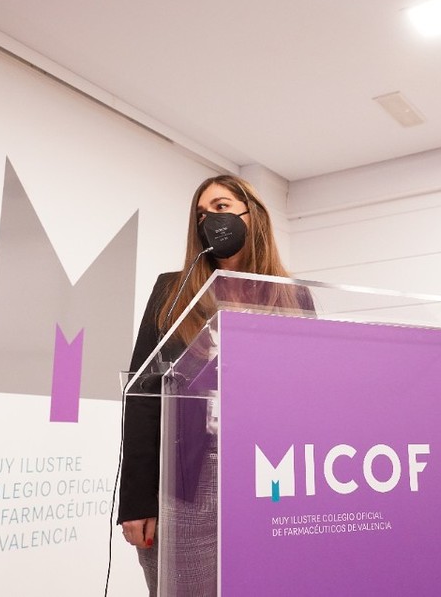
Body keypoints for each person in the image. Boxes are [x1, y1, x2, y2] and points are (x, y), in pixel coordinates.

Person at [118, 174, 314, 596]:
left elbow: (308, 393)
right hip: (188, 481)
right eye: (201, 214)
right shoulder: (173, 291)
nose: (210, 219)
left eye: (221, 207)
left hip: (269, 477)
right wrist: (137, 501)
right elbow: (143, 395)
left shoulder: (293, 297)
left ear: (252, 215)